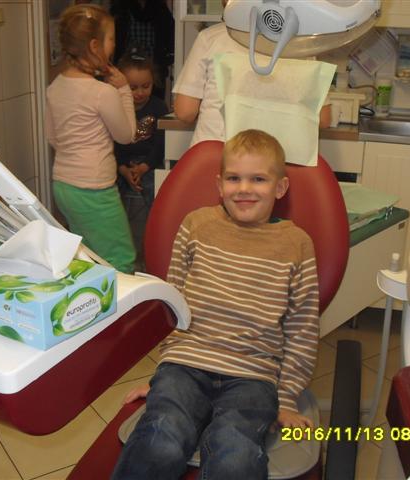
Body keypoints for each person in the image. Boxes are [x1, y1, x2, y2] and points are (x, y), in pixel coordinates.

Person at [112, 129, 320, 480]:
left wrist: (285, 398)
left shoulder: (297, 244)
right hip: (185, 365)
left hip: (253, 374)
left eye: (258, 179)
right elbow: (172, 306)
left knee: (234, 451)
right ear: (219, 184)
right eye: (234, 178)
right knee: (161, 435)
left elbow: (302, 328)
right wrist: (161, 376)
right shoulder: (197, 225)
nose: (244, 188)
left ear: (280, 187)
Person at [46, 4, 137, 274]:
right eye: (111, 39)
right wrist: (124, 90)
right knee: (120, 258)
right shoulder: (102, 92)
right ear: (95, 46)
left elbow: (52, 137)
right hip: (94, 189)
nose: (114, 45)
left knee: (87, 255)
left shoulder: (55, 86)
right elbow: (126, 135)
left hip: (64, 186)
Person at [173, 19, 332, 147]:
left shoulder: (211, 37)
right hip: (275, 158)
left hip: (216, 152)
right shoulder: (302, 44)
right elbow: (323, 119)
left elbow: (185, 112)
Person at [115, 49, 168, 264]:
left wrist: (145, 166)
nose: (139, 93)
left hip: (149, 163)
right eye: (132, 87)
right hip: (121, 164)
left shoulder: (158, 107)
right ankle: (121, 246)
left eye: (146, 86)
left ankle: (154, 243)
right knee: (113, 198)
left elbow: (160, 144)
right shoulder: (116, 107)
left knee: (156, 196)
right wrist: (122, 168)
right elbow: (113, 142)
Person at [110, 0, 174, 99]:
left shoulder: (161, 10)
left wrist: (165, 60)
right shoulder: (120, 9)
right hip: (126, 68)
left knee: (154, 102)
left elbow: (171, 39)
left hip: (155, 70)